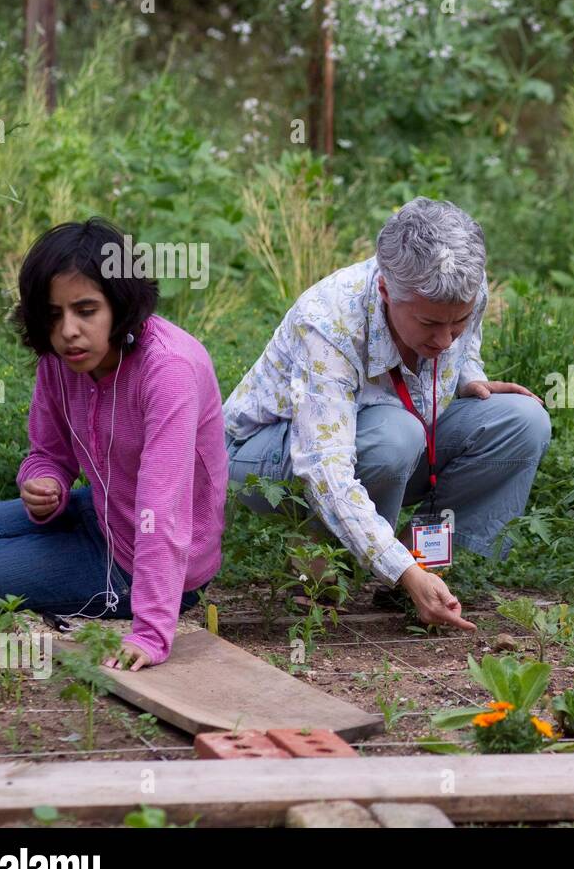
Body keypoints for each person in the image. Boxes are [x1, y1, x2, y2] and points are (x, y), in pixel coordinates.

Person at [224, 197, 551, 632]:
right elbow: (326, 468)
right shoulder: (328, 322)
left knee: (521, 420)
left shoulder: (461, 282)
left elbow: (465, 342)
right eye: (430, 324)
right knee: (396, 433)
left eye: (458, 321)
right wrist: (401, 569)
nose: (445, 339)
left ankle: (429, 566)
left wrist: (469, 374)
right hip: (268, 460)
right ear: (385, 292)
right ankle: (317, 566)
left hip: (393, 444)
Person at [0, 218, 227, 670]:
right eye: (54, 315)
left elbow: (164, 507)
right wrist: (44, 483)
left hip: (137, 564)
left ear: (119, 305)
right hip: (99, 510)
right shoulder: (61, 361)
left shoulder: (167, 372)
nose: (69, 331)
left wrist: (151, 632)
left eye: (85, 310)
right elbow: (48, 453)